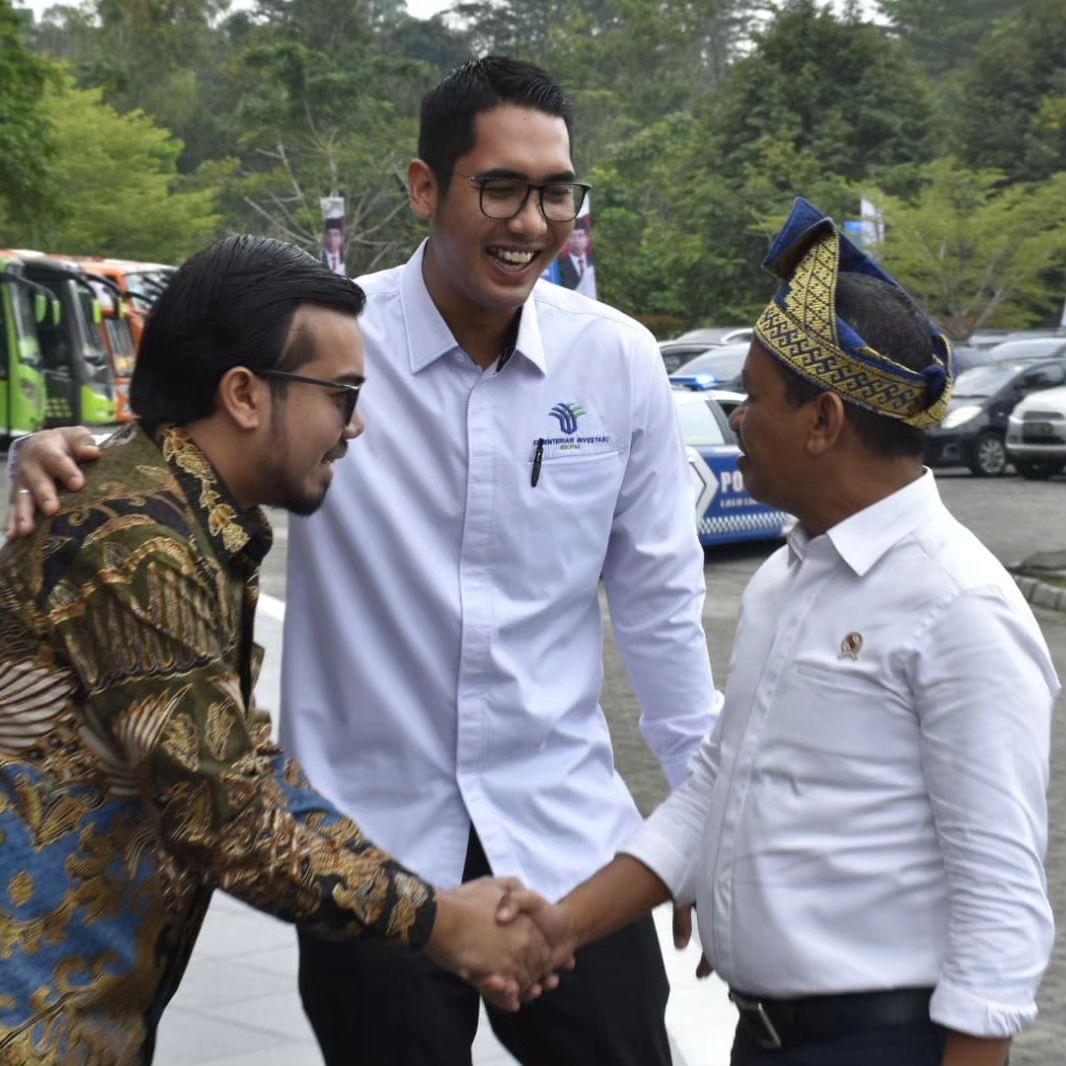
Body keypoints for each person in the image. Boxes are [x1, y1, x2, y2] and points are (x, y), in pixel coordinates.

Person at [7, 56, 718, 1066]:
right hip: (359, 836)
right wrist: (51, 450)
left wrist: (696, 827)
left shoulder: (616, 360)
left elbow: (661, 611)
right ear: (425, 187)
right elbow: (188, 433)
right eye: (501, 189)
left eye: (556, 193)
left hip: (563, 828)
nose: (531, 222)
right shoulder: (327, 336)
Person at [499, 198, 1060, 1066]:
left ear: (823, 421)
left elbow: (1000, 896)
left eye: (754, 399)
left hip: (883, 1045)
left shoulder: (960, 610)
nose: (737, 419)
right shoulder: (785, 578)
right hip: (764, 1040)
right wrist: (563, 926)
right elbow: (712, 791)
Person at [0, 235, 566, 1065]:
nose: (355, 426)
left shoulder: (182, 520)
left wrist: (434, 904)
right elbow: (227, 823)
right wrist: (442, 925)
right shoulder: (138, 543)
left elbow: (246, 770)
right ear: (244, 394)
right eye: (343, 394)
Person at [556, 220, 596, 298]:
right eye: (572, 236)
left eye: (580, 236)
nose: (576, 241)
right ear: (567, 240)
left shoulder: (593, 262)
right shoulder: (560, 265)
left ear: (587, 239)